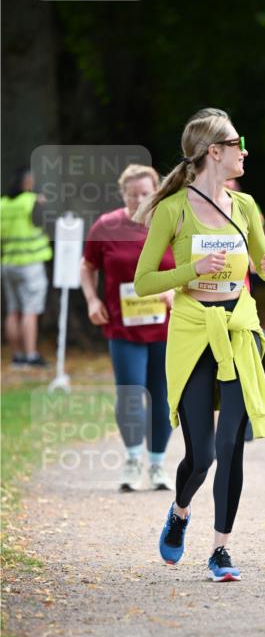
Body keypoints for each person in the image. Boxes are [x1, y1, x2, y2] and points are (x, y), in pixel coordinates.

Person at [133, 107, 265, 583]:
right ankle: (179, 512)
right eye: (238, 144)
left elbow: (260, 262)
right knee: (202, 456)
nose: (245, 152)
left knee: (231, 445)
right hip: (194, 333)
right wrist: (191, 271)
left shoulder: (247, 206)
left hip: (238, 330)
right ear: (214, 152)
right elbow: (142, 281)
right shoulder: (173, 210)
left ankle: (221, 550)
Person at [80, 164, 175, 493]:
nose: (139, 200)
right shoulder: (106, 225)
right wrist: (93, 300)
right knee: (131, 393)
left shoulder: (171, 223)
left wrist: (173, 291)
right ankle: (133, 459)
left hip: (166, 326)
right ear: (123, 195)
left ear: (156, 192)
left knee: (162, 396)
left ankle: (158, 463)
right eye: (132, 195)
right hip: (123, 327)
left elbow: (192, 268)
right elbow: (87, 266)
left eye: (145, 194)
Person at [1, 167, 52, 368]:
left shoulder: (3, 204)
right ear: (27, 182)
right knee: (30, 311)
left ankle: (17, 356)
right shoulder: (31, 201)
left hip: (8, 263)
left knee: (13, 311)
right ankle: (31, 355)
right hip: (30, 264)